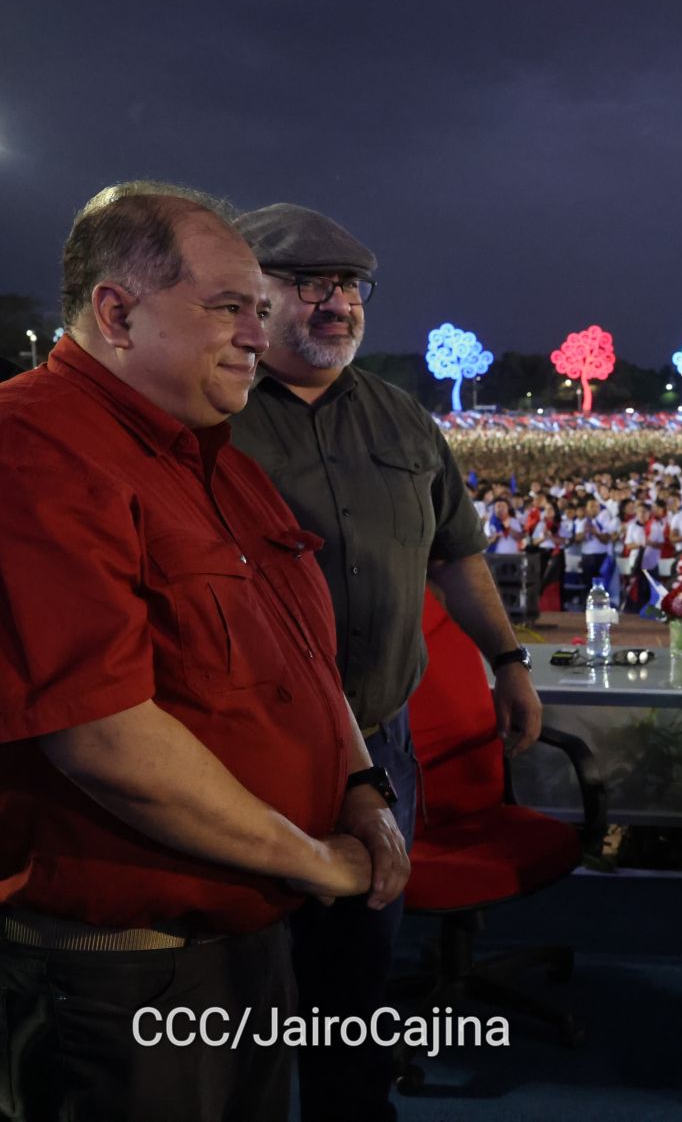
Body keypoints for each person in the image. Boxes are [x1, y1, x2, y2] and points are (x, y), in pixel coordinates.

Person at [0, 182, 408, 1121]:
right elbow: (102, 736)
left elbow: (308, 656)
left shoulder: (210, 455)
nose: (258, 337)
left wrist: (361, 787)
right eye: (229, 307)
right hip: (124, 965)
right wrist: (311, 857)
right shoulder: (36, 449)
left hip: (239, 934)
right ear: (117, 312)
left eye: (258, 311)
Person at [228, 202, 541, 1122]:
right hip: (246, 749)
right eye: (309, 284)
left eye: (352, 286)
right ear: (254, 295)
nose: (337, 304)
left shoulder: (402, 418)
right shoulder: (213, 408)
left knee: (353, 975)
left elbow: (456, 554)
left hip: (377, 744)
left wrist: (509, 660)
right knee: (235, 979)